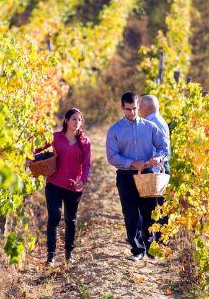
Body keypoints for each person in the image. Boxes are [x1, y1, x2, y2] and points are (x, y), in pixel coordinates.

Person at [106, 92, 168, 261]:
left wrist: (159, 158)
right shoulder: (114, 130)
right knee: (131, 213)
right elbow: (112, 156)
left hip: (147, 175)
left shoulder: (150, 127)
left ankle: (150, 249)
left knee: (149, 212)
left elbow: (163, 147)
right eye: (128, 110)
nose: (131, 113)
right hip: (125, 176)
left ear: (138, 106)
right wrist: (132, 163)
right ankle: (137, 250)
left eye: (134, 109)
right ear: (122, 108)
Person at [34, 108, 91, 266]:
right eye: (74, 119)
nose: (77, 122)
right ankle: (51, 255)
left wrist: (83, 179)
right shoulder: (55, 137)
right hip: (54, 184)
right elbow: (37, 150)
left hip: (74, 187)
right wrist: (28, 157)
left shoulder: (85, 142)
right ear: (66, 120)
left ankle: (68, 253)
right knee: (54, 217)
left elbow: (86, 164)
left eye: (79, 120)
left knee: (71, 220)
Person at [139, 94, 170, 243]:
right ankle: (157, 241)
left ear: (146, 107)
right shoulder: (157, 120)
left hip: (157, 169)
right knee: (157, 207)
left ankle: (158, 243)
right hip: (158, 168)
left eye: (140, 105)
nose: (138, 108)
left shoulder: (154, 123)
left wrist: (153, 168)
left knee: (156, 207)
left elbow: (160, 150)